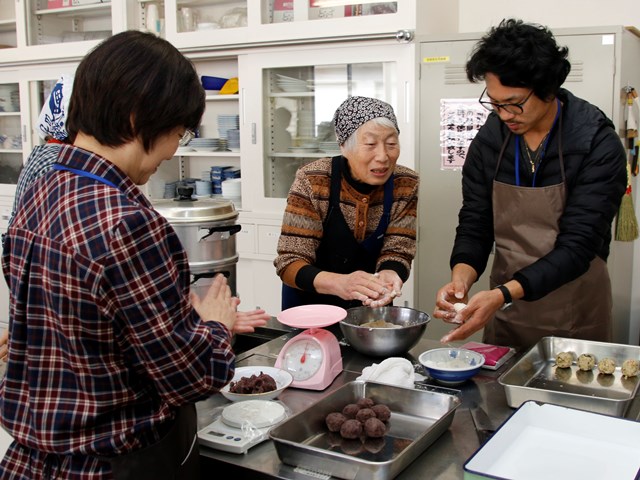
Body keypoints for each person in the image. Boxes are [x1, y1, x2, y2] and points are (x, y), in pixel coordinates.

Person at [0, 30, 242, 479]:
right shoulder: (129, 222)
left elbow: (79, 320)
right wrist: (215, 324)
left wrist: (166, 312)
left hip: (31, 460)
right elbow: (190, 375)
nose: (173, 151)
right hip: (110, 465)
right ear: (137, 119)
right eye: (177, 132)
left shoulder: (40, 188)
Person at [433, 19, 627, 350]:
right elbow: (476, 220)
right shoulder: (491, 139)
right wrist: (461, 279)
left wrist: (502, 293)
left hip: (574, 308)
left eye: (514, 103)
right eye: (495, 103)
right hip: (507, 308)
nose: (504, 114)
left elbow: (579, 246)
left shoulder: (595, 142)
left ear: (548, 89)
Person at [274, 96, 419, 310]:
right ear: (343, 146)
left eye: (391, 144)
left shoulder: (405, 183)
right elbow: (289, 262)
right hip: (310, 309)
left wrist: (390, 273)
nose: (383, 156)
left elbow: (398, 249)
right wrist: (341, 283)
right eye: (370, 144)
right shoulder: (313, 180)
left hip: (370, 306)